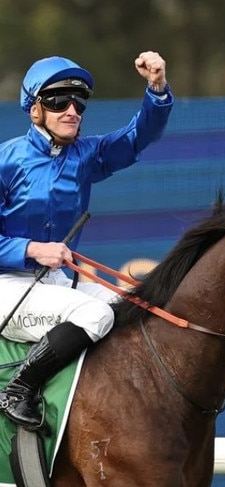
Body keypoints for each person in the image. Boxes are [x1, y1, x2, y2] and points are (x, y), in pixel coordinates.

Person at [0, 52, 173, 430]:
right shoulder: (6, 161)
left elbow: (136, 137)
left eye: (79, 102)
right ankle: (17, 389)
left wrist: (156, 88)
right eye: (59, 101)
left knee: (128, 306)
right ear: (34, 110)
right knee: (94, 314)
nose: (72, 110)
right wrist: (30, 249)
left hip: (55, 282)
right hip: (6, 285)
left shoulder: (85, 154)